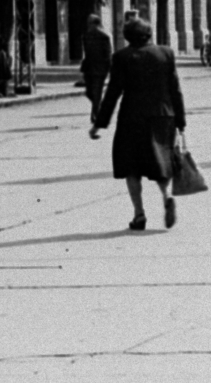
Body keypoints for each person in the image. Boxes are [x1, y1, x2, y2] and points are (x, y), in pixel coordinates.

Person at [90, 19, 186, 231]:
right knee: (161, 162)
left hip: (132, 118)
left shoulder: (122, 57)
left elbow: (113, 93)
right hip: (163, 116)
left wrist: (99, 124)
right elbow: (175, 89)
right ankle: (167, 196)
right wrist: (181, 122)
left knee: (131, 166)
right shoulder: (166, 53)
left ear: (127, 36)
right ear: (149, 34)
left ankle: (139, 214)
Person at [79, 14, 113, 124]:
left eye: (90, 23)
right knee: (89, 92)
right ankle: (98, 107)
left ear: (96, 24)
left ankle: (95, 115)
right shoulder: (86, 36)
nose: (88, 25)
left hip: (100, 68)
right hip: (88, 67)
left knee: (96, 91)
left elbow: (108, 54)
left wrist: (109, 69)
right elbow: (86, 53)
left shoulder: (104, 36)